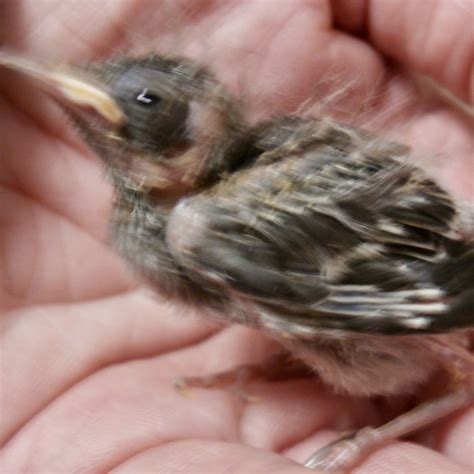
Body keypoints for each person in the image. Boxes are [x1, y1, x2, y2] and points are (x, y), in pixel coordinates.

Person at [1, 1, 472, 471]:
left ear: (192, 138)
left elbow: (421, 285)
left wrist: (361, 443)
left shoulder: (208, 230)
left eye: (148, 103)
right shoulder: (182, 222)